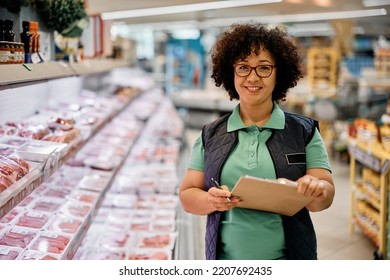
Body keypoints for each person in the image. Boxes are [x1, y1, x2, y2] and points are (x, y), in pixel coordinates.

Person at [179, 22, 335, 260]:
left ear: (278, 73)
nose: (252, 77)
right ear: (231, 73)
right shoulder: (210, 134)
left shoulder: (303, 131)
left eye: (263, 68)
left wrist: (316, 189)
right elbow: (188, 195)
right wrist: (210, 200)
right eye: (243, 67)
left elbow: (323, 198)